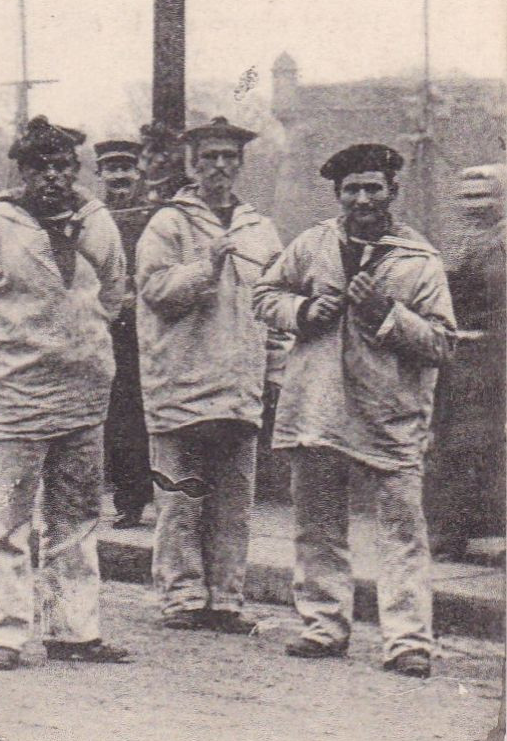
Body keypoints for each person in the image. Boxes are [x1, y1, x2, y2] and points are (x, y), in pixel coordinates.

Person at [0, 116, 130, 670]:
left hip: (85, 394)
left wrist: (81, 339)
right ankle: (7, 633)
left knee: (77, 517)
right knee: (9, 520)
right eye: (40, 167)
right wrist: (0, 350)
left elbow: (114, 292)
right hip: (18, 397)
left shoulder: (97, 223)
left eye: (63, 166)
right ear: (21, 171)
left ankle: (75, 630)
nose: (52, 178)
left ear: (76, 170)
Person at [254, 143, 454, 679]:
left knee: (402, 531)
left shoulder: (419, 260)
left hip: (389, 414)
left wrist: (386, 312)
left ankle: (408, 640)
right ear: (338, 195)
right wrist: (302, 311)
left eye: (373, 188)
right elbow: (264, 293)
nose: (362, 199)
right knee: (317, 526)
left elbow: (442, 342)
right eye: (351, 190)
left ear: (393, 191)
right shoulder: (313, 244)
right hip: (317, 407)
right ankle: (323, 625)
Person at [135, 117, 282, 632]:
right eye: (211, 157)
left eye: (229, 157)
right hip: (182, 383)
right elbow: (155, 292)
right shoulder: (169, 224)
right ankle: (181, 597)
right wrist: (206, 265)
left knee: (234, 502)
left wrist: (277, 372)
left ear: (240, 164)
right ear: (194, 164)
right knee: (180, 499)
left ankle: (226, 599)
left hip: (239, 387)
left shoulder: (259, 229)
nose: (220, 166)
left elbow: (273, 303)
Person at [426, 165, 506, 558]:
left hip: (497, 357)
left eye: (484, 196)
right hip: (459, 358)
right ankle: (450, 533)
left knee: (493, 445)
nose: (476, 205)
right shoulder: (454, 242)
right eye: (468, 197)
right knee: (453, 444)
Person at [94, 138, 153, 528]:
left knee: (151, 412)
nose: (119, 177)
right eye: (111, 169)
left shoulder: (152, 217)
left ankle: (163, 496)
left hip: (148, 327)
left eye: (126, 169)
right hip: (106, 326)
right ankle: (128, 500)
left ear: (138, 173)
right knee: (117, 416)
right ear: (100, 174)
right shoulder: (92, 219)